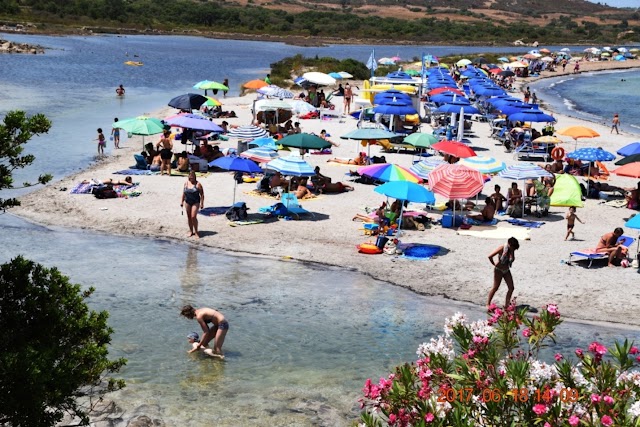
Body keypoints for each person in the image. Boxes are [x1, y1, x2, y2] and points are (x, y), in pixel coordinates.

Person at [487, 237, 520, 309]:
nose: (514, 250)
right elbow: (490, 256)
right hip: (498, 270)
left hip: (506, 270)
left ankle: (506, 305)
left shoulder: (512, 250)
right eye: (513, 248)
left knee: (511, 288)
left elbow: (512, 259)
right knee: (495, 287)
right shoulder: (502, 248)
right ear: (510, 245)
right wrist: (494, 264)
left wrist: (512, 252)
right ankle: (488, 304)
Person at [180, 171, 205, 238]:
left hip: (195, 202)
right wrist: (181, 202)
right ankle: (191, 231)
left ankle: (196, 232)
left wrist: (202, 203)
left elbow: (202, 195)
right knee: (189, 217)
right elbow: (184, 193)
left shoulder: (198, 184)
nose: (191, 178)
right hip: (187, 201)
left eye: (192, 176)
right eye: (190, 176)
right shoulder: (186, 183)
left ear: (194, 177)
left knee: (193, 217)